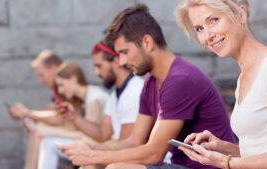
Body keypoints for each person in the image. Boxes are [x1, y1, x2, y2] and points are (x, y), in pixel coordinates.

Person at [59, 4, 236, 169]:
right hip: (179, 165)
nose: (122, 62)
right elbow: (135, 141)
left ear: (147, 43)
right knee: (95, 165)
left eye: (124, 52)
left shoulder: (180, 79)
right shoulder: (151, 82)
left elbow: (155, 154)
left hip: (207, 167)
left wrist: (92, 156)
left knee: (117, 168)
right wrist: (92, 149)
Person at [174, 0, 267, 168]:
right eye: (199, 28)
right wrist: (222, 148)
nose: (208, 36)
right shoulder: (243, 77)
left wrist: (226, 162)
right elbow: (260, 152)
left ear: (240, 15)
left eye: (214, 20)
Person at [57, 41, 144, 169]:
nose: (96, 73)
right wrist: (75, 117)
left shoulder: (134, 90)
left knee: (91, 162)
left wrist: (92, 151)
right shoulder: (116, 95)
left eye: (99, 66)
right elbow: (102, 133)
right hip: (122, 153)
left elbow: (128, 144)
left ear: (115, 62)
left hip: (137, 159)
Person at [37, 61, 109, 169]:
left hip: (105, 146)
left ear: (74, 79)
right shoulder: (87, 97)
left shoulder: (94, 97)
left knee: (49, 143)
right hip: (98, 145)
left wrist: (51, 131)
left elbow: (88, 136)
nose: (60, 90)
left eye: (62, 84)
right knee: (48, 142)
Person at [8, 49, 63, 169]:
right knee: (36, 129)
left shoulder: (64, 86)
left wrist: (27, 113)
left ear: (53, 68)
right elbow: (49, 114)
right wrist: (27, 118)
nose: (40, 80)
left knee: (38, 132)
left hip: (77, 135)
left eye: (41, 75)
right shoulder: (56, 90)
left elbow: (58, 118)